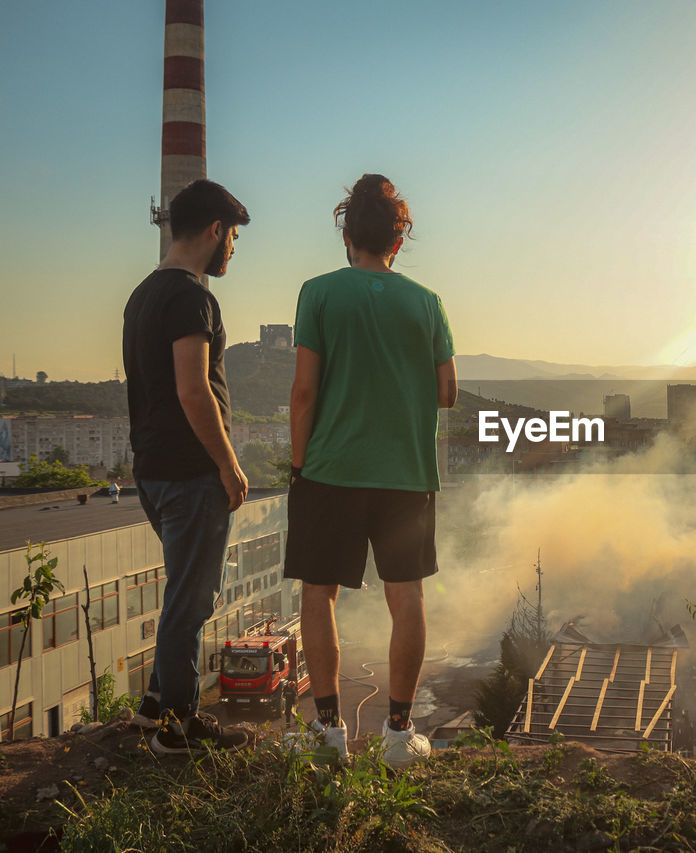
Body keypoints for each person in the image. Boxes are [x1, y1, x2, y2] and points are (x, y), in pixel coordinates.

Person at [284, 174, 457, 767]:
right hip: (407, 473)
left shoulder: (319, 293)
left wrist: (299, 465)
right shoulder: (427, 302)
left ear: (346, 233)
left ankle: (328, 732)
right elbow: (448, 391)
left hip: (330, 469)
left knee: (320, 593)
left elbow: (304, 391)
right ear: (398, 239)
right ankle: (399, 736)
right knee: (405, 595)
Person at [122, 178, 253, 754]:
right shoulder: (192, 298)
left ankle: (155, 705)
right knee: (194, 599)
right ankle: (177, 725)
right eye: (234, 237)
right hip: (190, 471)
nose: (234, 249)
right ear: (214, 230)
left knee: (183, 592)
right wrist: (228, 466)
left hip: (153, 469)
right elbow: (193, 390)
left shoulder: (142, 295)